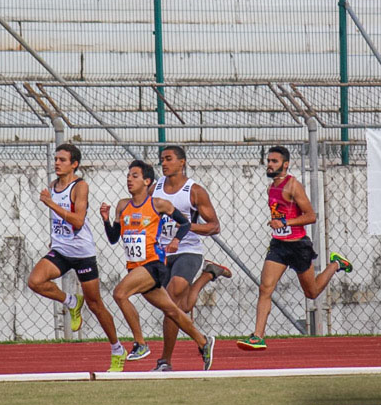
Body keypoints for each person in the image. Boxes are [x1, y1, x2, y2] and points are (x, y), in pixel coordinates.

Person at [100, 160, 216, 370]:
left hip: (153, 265)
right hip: (135, 267)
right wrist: (106, 220)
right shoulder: (122, 205)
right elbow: (113, 238)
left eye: (134, 176)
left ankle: (140, 344)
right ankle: (203, 341)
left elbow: (185, 223)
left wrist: (176, 240)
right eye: (128, 175)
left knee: (119, 293)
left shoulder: (158, 204)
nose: (129, 179)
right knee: (172, 311)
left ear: (147, 181)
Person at [238, 145, 352, 351]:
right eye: (269, 161)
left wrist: (285, 223)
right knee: (265, 288)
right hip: (279, 246)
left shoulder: (293, 186)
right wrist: (277, 224)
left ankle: (336, 264)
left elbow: (311, 216)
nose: (270, 164)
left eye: (274, 161)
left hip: (298, 246)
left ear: (285, 164)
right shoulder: (271, 187)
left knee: (312, 292)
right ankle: (257, 336)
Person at [26, 143, 126, 372]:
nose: (57, 163)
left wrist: (50, 203)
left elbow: (78, 221)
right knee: (35, 281)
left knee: (95, 304)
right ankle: (71, 301)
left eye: (62, 159)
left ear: (74, 164)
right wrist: (55, 236)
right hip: (61, 250)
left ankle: (117, 349)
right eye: (56, 159)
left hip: (82, 254)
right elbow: (58, 219)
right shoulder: (52, 186)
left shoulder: (80, 187)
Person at [149, 145, 230, 371]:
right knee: (178, 306)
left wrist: (186, 226)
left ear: (182, 162)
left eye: (169, 159)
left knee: (173, 297)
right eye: (162, 159)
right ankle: (208, 274)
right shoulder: (155, 189)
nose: (164, 163)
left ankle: (165, 361)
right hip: (161, 254)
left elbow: (214, 226)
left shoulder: (193, 191)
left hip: (188, 251)